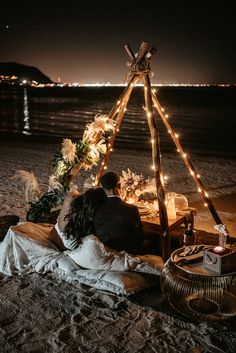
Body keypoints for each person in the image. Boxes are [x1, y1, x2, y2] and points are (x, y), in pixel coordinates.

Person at [94, 171, 144, 254]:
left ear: (102, 188)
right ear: (119, 186)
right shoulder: (131, 209)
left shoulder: (97, 207)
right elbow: (139, 236)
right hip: (125, 253)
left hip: (103, 252)